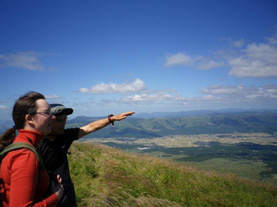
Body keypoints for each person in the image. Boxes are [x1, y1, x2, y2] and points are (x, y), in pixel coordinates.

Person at [38, 103, 135, 207]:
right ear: (47, 121)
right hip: (48, 195)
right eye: (59, 120)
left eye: (65, 118)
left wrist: (111, 119)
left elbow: (89, 127)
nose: (63, 123)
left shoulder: (64, 136)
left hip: (67, 190)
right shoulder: (38, 144)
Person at [0, 92, 64, 207]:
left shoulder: (25, 145)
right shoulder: (24, 155)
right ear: (29, 119)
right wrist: (56, 195)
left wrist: (48, 179)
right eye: (47, 113)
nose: (53, 117)